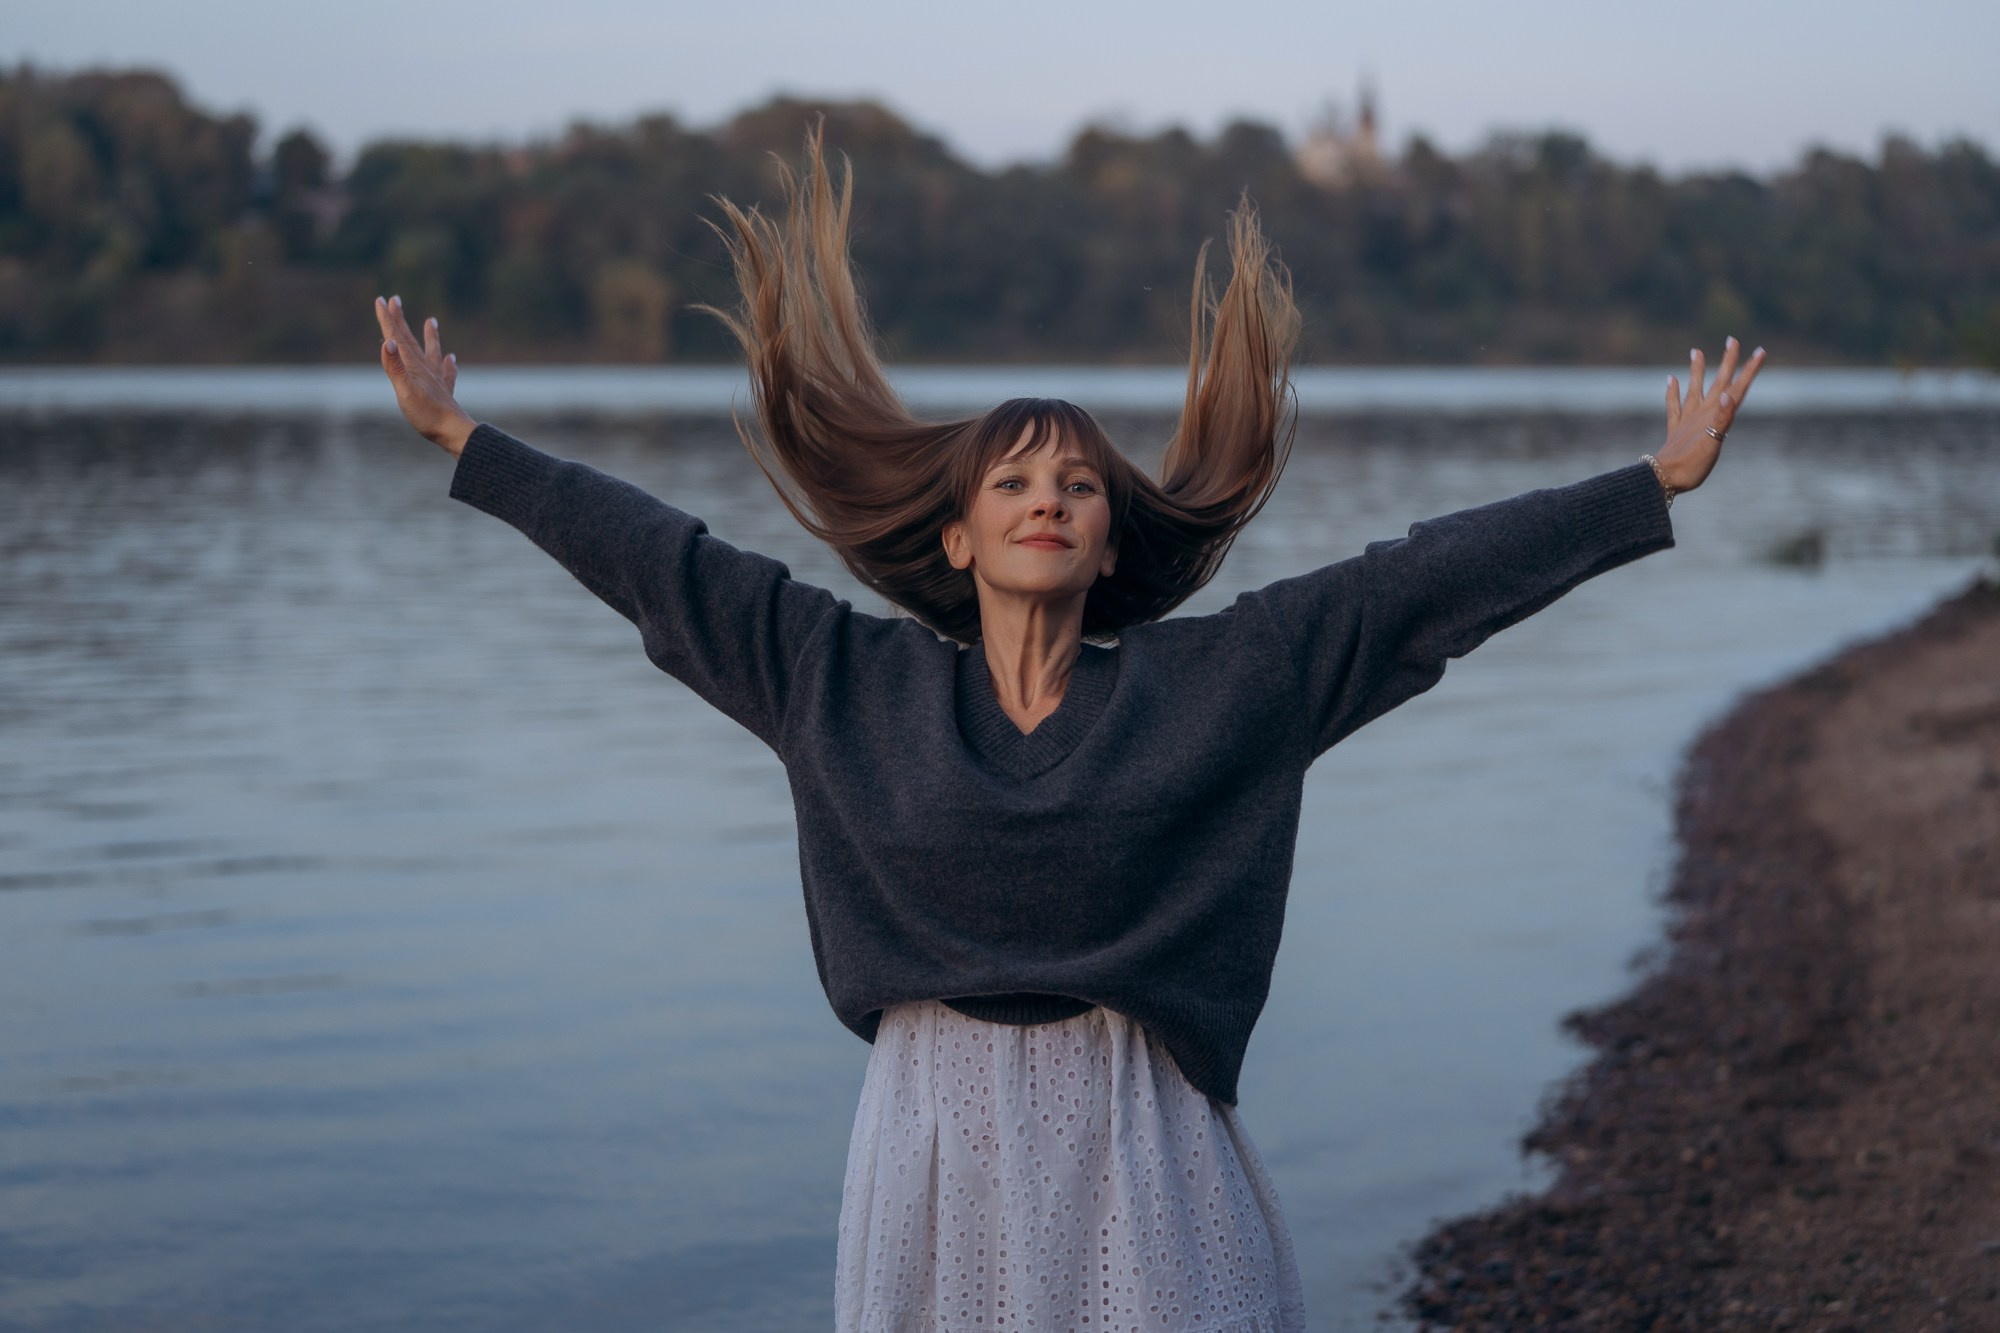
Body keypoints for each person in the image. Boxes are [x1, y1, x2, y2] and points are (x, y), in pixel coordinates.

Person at [371, 126, 1765, 1332]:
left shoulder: (1226, 684)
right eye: (1018, 480)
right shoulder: (838, 681)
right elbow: (659, 559)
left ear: (1112, 543)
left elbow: (1420, 586)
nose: (1051, 497)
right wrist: (468, 444)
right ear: (958, 533)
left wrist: (1651, 483)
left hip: (1140, 1131)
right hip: (930, 1139)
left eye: (1082, 485)